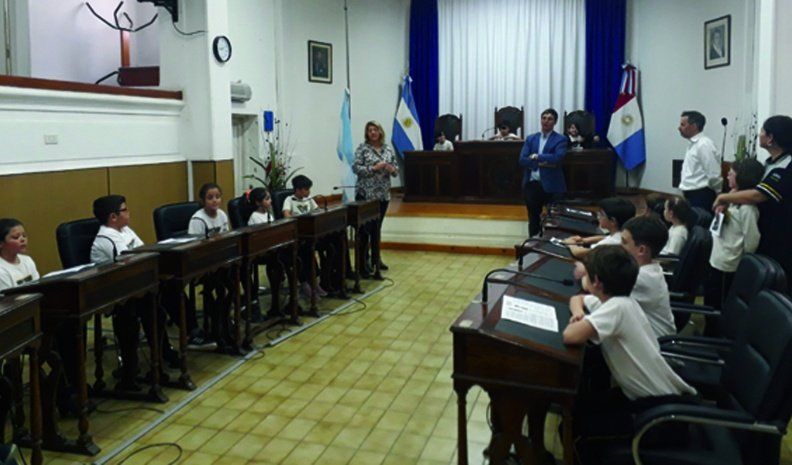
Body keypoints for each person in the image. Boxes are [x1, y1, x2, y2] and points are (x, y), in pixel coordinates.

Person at [563, 246, 696, 463]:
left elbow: (570, 336)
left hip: (659, 415)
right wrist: (579, 314)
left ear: (596, 282)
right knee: (578, 407)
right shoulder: (621, 301)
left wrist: (579, 322)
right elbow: (577, 299)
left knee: (576, 427)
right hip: (649, 400)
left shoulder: (617, 308)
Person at [713, 115, 792, 285]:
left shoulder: (787, 166)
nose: (759, 134)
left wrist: (723, 197)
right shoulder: (770, 163)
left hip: (780, 236)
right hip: (765, 231)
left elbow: (758, 195)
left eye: (763, 131)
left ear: (771, 138)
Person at [705, 158, 764, 315]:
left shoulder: (747, 208)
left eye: (731, 174)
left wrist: (742, 261)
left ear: (742, 177)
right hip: (716, 257)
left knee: (719, 306)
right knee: (710, 300)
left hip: (729, 263)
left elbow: (752, 241)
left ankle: (715, 329)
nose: (727, 176)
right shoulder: (730, 198)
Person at [352, 121, 397, 275]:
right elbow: (355, 168)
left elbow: (396, 170)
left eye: (375, 129)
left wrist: (391, 168)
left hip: (383, 195)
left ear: (380, 132)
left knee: (376, 229)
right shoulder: (362, 149)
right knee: (365, 230)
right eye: (369, 130)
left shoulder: (388, 149)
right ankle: (362, 263)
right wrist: (373, 168)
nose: (372, 132)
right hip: (366, 195)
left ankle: (376, 260)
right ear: (367, 134)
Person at [519, 108, 568, 237]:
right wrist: (542, 163)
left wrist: (537, 157)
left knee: (554, 220)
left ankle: (550, 244)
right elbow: (522, 159)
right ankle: (533, 244)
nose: (546, 121)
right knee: (533, 218)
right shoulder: (531, 138)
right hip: (533, 184)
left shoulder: (560, 139)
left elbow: (557, 158)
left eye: (550, 119)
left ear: (555, 122)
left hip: (553, 185)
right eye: (544, 118)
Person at [282, 175, 326, 299]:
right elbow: (286, 215)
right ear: (298, 189)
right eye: (306, 189)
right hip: (297, 236)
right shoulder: (289, 200)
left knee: (315, 249)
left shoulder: (309, 199)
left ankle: (315, 283)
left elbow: (318, 211)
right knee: (305, 252)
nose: (309, 192)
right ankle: (305, 283)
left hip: (310, 235)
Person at [564, 197, 636, 259]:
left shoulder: (609, 243)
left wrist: (570, 244)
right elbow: (605, 237)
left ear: (612, 221)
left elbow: (579, 253)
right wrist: (584, 240)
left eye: (601, 214)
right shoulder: (623, 234)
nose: (598, 216)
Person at [678, 111, 723, 209]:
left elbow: (713, 173)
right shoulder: (693, 144)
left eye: (682, 125)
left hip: (701, 195)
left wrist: (719, 193)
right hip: (690, 194)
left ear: (694, 126)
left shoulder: (704, 144)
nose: (679, 128)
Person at [0, 218, 39, 291]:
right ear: (1, 243)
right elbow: (8, 297)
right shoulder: (1, 270)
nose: (23, 239)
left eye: (24, 235)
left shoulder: (28, 260)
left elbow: (39, 286)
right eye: (16, 237)